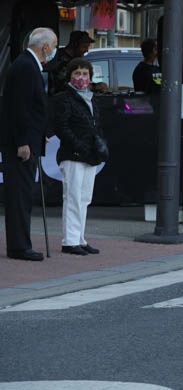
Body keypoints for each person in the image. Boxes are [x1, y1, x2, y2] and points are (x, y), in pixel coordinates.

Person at [2, 27, 57, 261]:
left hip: (29, 138)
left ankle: (21, 244)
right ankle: (19, 246)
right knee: (20, 195)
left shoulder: (28, 64)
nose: (53, 51)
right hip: (20, 143)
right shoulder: (26, 66)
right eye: (53, 46)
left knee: (23, 194)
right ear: (44, 46)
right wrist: (23, 141)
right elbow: (20, 109)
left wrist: (40, 132)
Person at [52, 57, 108, 255]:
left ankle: (80, 238)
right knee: (73, 197)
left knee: (84, 198)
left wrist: (96, 145)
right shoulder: (64, 98)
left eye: (85, 74)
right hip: (73, 154)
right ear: (70, 76)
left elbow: (96, 125)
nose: (81, 78)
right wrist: (78, 144)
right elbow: (62, 127)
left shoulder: (91, 98)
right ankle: (70, 240)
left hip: (89, 155)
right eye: (77, 73)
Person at [45, 30, 93, 95]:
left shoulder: (75, 59)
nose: (86, 50)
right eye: (84, 47)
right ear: (75, 44)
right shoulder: (60, 60)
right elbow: (65, 84)